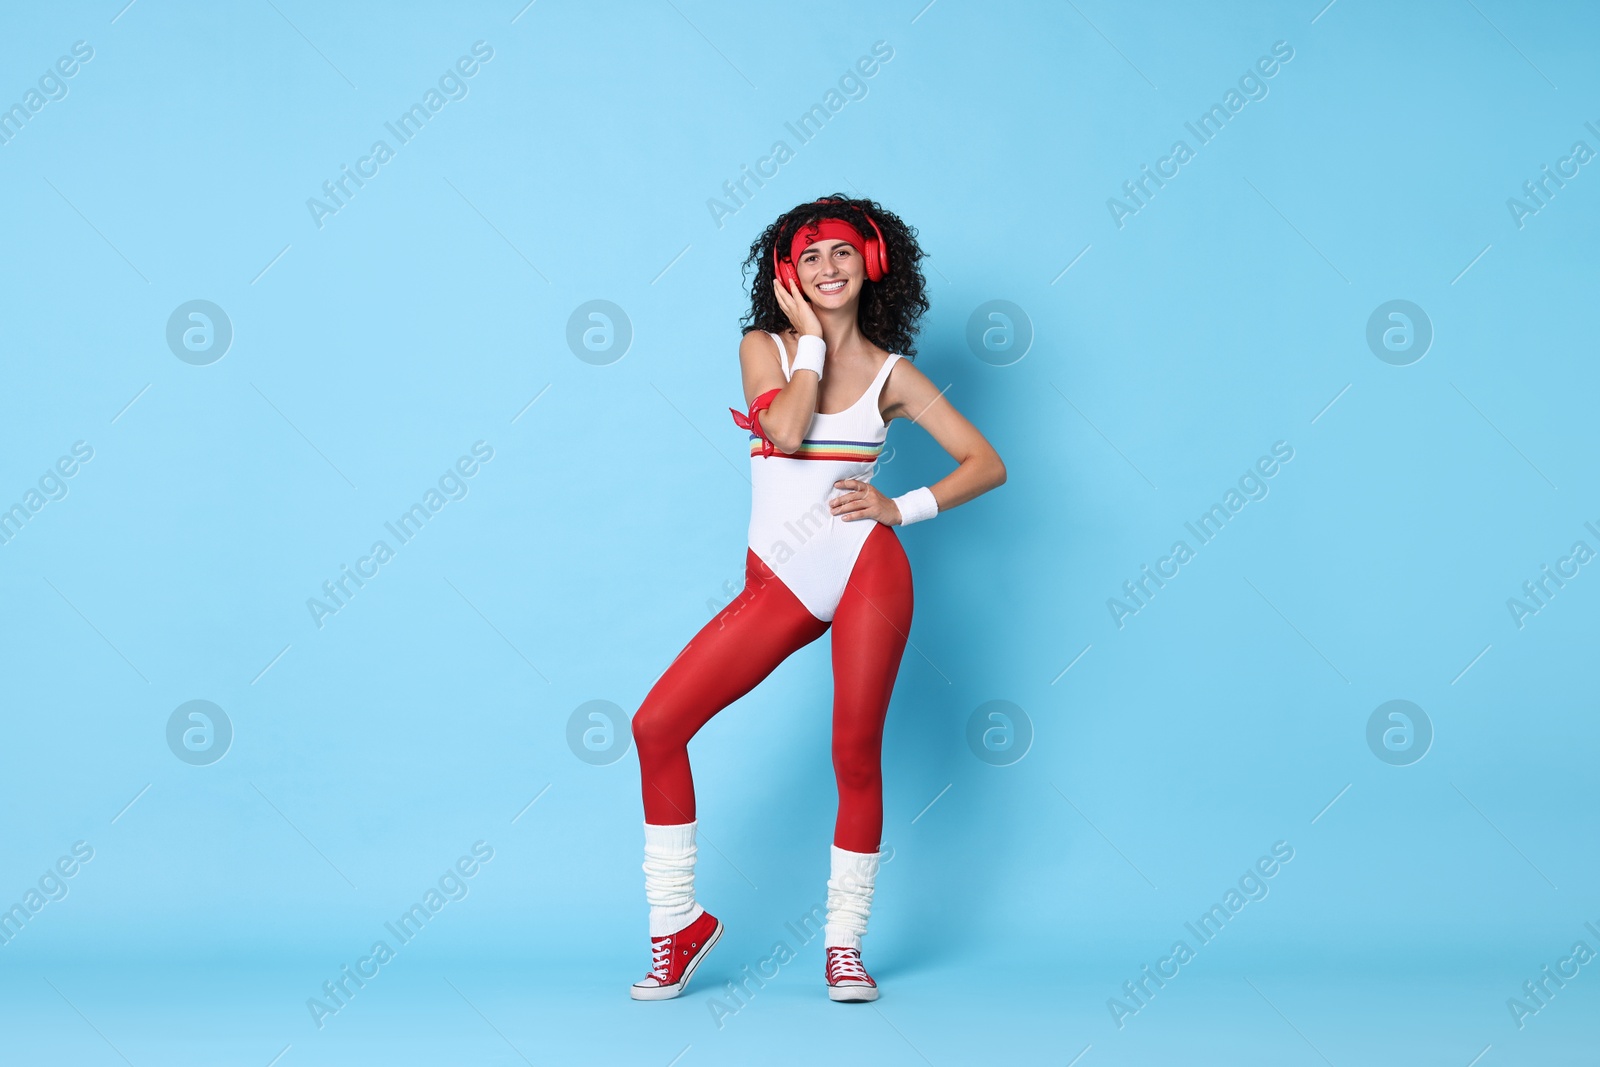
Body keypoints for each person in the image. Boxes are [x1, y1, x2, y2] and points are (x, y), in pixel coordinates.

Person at [628, 195, 1006, 1002]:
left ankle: (844, 948)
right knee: (657, 724)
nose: (827, 268)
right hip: (781, 580)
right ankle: (677, 924)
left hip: (868, 564)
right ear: (786, 274)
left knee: (853, 753)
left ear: (872, 263)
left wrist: (900, 508)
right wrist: (807, 347)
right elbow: (791, 431)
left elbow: (984, 461)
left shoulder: (894, 374)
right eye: (809, 256)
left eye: (841, 252)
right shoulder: (762, 346)